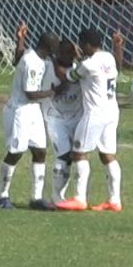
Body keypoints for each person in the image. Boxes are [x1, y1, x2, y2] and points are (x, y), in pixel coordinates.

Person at [55, 28, 123, 212]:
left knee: (78, 153)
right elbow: (114, 66)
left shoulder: (88, 65)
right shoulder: (108, 57)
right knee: (107, 155)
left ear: (85, 44)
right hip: (111, 112)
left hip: (95, 114)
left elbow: (69, 77)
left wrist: (56, 64)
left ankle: (79, 198)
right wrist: (117, 47)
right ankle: (114, 200)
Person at [0, 24, 60, 210]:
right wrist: (52, 92)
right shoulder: (31, 61)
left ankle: (36, 198)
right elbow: (31, 93)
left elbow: (17, 58)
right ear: (48, 47)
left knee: (40, 151)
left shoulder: (38, 57)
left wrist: (20, 39)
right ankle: (2, 195)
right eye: (54, 48)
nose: (55, 51)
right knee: (16, 152)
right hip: (20, 110)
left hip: (33, 111)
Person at [40, 39, 83, 204]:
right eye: (65, 52)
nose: (69, 55)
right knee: (63, 155)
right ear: (58, 53)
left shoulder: (80, 68)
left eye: (71, 53)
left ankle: (61, 197)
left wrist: (79, 60)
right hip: (55, 117)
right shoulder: (47, 66)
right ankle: (56, 196)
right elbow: (61, 77)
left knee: (71, 157)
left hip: (76, 117)